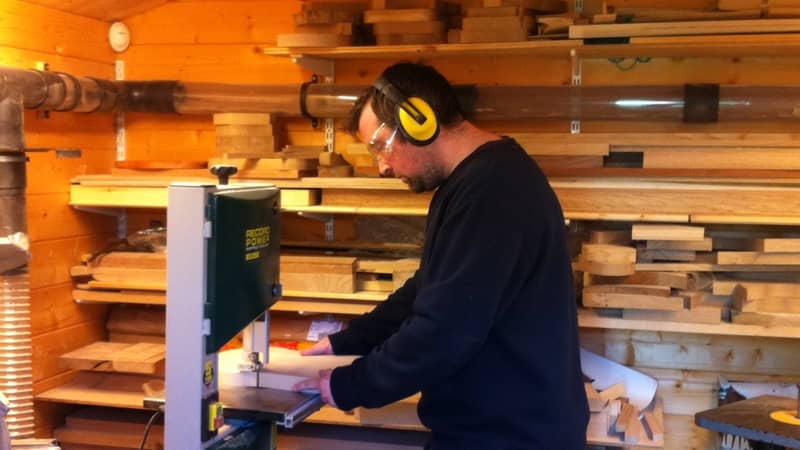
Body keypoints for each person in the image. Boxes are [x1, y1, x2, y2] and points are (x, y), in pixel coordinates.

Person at [292, 62, 589, 450]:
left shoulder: (492, 191)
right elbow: (430, 286)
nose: (381, 166)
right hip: (499, 430)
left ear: (420, 121)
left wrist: (351, 384)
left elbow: (444, 331)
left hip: (512, 437)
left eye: (381, 146)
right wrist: (348, 341)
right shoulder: (473, 182)